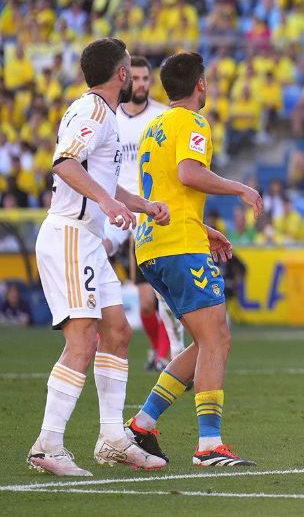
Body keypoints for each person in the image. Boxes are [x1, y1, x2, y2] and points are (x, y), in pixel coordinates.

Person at [28, 37, 169, 476]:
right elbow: (65, 163)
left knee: (117, 331)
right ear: (122, 74)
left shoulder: (100, 113)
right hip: (70, 233)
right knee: (84, 339)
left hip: (86, 237)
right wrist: (109, 207)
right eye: (129, 67)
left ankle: (111, 438)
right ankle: (47, 445)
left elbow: (100, 178)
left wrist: (141, 205)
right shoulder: (92, 111)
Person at [124, 51, 263, 467]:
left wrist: (206, 228)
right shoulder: (193, 122)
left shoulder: (154, 127)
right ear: (200, 84)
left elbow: (164, 190)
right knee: (217, 338)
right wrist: (240, 188)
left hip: (153, 244)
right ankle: (208, 445)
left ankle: (143, 425)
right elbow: (188, 173)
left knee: (205, 341)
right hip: (180, 246)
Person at [102, 55, 182, 371]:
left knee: (151, 298)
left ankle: (168, 352)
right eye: (135, 78)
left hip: (148, 211)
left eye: (146, 79)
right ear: (124, 80)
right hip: (115, 207)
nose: (141, 84)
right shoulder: (110, 118)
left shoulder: (162, 117)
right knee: (95, 252)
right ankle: (154, 349)